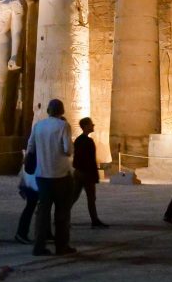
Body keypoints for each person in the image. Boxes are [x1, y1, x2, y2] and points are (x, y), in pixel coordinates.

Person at [26, 98, 75, 256]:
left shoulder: (38, 126)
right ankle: (61, 246)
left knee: (42, 213)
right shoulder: (63, 126)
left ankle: (38, 246)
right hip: (60, 174)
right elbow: (68, 150)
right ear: (62, 111)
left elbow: (31, 147)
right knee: (62, 213)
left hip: (42, 174)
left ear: (48, 110)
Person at [72, 118, 108, 228]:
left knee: (73, 197)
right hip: (87, 174)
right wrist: (94, 175)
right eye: (91, 124)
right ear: (86, 126)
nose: (93, 125)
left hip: (79, 172)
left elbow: (76, 159)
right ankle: (95, 221)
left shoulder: (78, 140)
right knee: (91, 198)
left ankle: (61, 216)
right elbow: (90, 160)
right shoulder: (88, 141)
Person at [15, 147, 39, 244]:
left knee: (41, 206)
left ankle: (46, 232)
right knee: (31, 207)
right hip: (33, 184)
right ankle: (21, 233)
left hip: (31, 183)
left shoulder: (32, 149)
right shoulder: (37, 151)